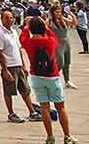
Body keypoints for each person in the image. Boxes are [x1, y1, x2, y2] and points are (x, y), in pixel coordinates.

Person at [21, 16, 77, 144]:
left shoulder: (28, 42)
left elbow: (22, 38)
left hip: (36, 77)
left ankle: (50, 137)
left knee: (44, 108)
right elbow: (52, 34)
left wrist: (26, 25)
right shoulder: (51, 41)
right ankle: (67, 136)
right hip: (52, 76)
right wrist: (44, 25)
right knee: (60, 106)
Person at [0, 10, 42, 123]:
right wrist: (5, 70)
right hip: (9, 66)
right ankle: (11, 113)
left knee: (25, 90)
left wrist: (23, 65)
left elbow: (18, 49)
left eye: (11, 18)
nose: (9, 20)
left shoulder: (14, 31)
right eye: (6, 18)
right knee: (8, 91)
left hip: (18, 65)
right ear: (2, 19)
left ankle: (32, 112)